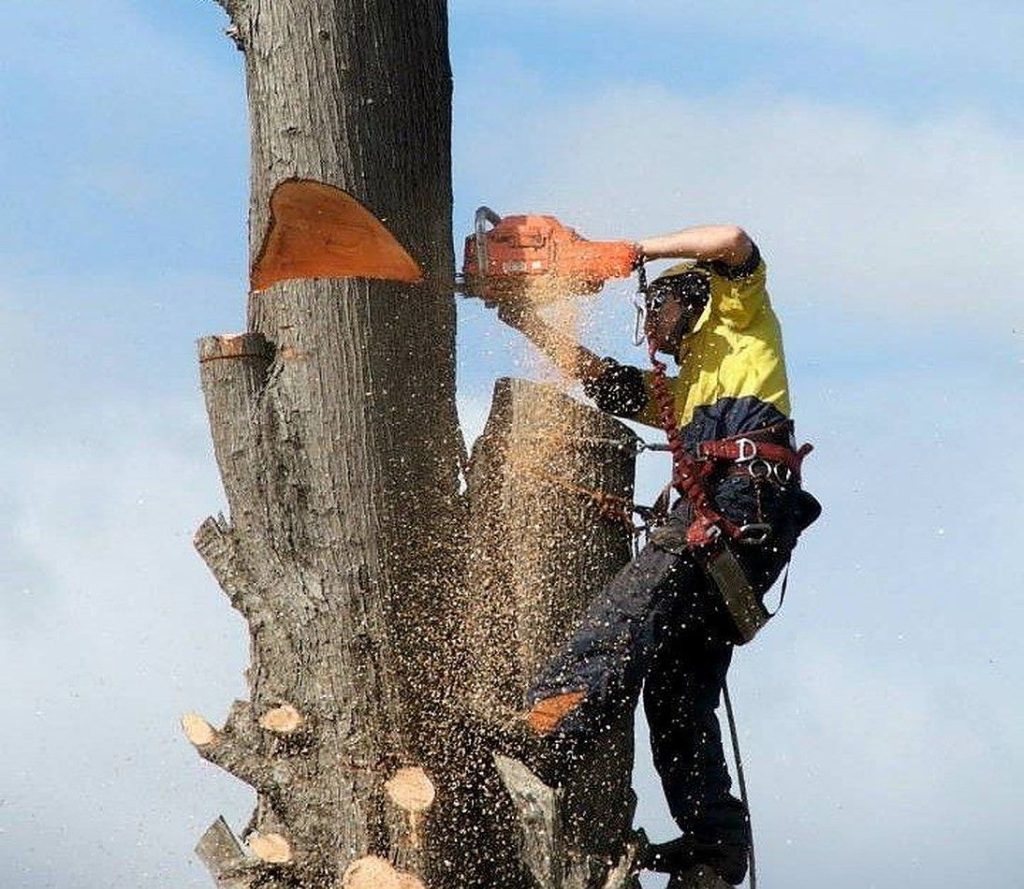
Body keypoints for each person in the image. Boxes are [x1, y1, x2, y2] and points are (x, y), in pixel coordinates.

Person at [493, 225, 820, 889]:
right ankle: (715, 847)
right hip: (740, 524)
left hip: (738, 502)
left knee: (628, 609)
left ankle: (545, 736)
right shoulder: (688, 382)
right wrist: (525, 321)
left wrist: (633, 252)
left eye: (657, 306)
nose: (650, 322)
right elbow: (606, 381)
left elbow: (732, 238)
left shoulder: (740, 317)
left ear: (693, 296)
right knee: (677, 690)